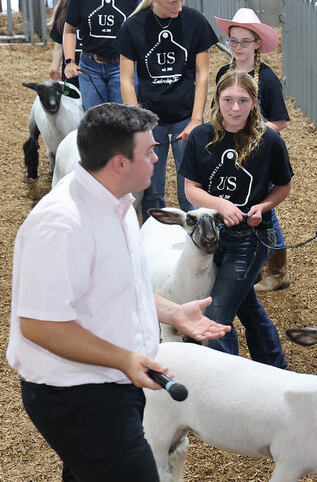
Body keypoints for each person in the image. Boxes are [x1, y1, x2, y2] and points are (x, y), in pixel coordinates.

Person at [6, 102, 230, 482]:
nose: (158, 157)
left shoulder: (121, 205)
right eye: (149, 151)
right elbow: (40, 325)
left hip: (111, 382)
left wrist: (172, 313)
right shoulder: (60, 224)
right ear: (119, 163)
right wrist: (125, 359)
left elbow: (121, 287)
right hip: (76, 394)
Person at [180, 69, 291, 368]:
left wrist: (263, 207)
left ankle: (225, 381)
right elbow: (191, 190)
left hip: (250, 239)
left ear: (254, 102)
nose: (235, 108)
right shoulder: (201, 137)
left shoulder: (269, 141)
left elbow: (284, 186)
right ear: (216, 99)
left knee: (216, 315)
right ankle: (275, 368)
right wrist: (220, 205)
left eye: (243, 100)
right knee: (246, 305)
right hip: (210, 238)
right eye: (228, 99)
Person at [115, 0, 218, 220]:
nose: (180, 7)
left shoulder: (195, 21)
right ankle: (152, 238)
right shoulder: (133, 27)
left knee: (191, 189)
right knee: (151, 187)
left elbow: (202, 74)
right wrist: (138, 122)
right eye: (173, 2)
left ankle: (194, 244)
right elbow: (126, 79)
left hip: (186, 116)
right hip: (151, 116)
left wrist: (196, 120)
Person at [214, 7, 291, 293]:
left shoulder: (267, 78)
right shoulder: (224, 73)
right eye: (234, 40)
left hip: (260, 154)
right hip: (229, 152)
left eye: (245, 41)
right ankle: (251, 261)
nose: (238, 47)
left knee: (265, 209)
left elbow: (280, 121)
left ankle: (277, 269)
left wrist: (252, 131)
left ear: (257, 43)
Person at [63, 0, 144, 111]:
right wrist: (70, 61)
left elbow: (142, 32)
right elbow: (69, 30)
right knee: (94, 121)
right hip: (89, 65)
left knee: (123, 120)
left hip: (122, 65)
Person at [48, 0, 93, 87]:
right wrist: (54, 67)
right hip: (72, 69)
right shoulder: (65, 9)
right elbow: (59, 43)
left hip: (94, 68)